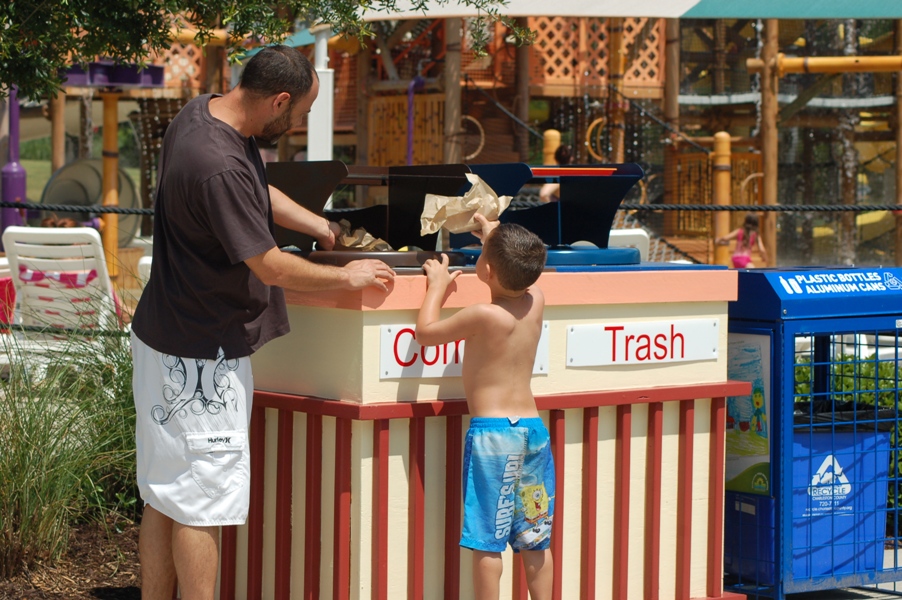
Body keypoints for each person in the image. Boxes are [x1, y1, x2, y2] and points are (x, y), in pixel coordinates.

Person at [129, 45, 395, 600]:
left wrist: (321, 225)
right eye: (299, 113)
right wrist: (347, 278)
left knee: (164, 493)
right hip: (204, 357)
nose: (298, 124)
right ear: (277, 100)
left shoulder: (204, 114)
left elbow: (258, 191)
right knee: (203, 503)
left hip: (164, 335)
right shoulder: (218, 164)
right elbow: (269, 265)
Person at [416, 213, 554, 600]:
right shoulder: (536, 301)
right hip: (533, 431)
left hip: (494, 436)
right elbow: (513, 266)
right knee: (535, 536)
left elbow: (425, 334)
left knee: (486, 539)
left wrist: (437, 287)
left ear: (488, 269)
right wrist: (491, 231)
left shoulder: (483, 315)